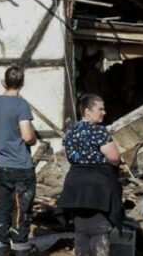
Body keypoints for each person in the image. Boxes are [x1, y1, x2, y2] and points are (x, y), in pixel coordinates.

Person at [60, 94, 123, 256]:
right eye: (100, 109)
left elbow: (68, 157)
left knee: (81, 230)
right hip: (97, 186)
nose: (104, 112)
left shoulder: (71, 131)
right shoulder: (99, 131)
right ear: (87, 111)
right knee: (99, 230)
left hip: (75, 185)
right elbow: (114, 158)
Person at [0, 66, 38, 256]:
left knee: (4, 208)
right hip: (21, 166)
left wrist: (5, 137)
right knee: (21, 211)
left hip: (2, 165)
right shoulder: (21, 104)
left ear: (4, 82)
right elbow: (26, 135)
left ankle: (1, 249)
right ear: (22, 83)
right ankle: (20, 248)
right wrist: (33, 138)